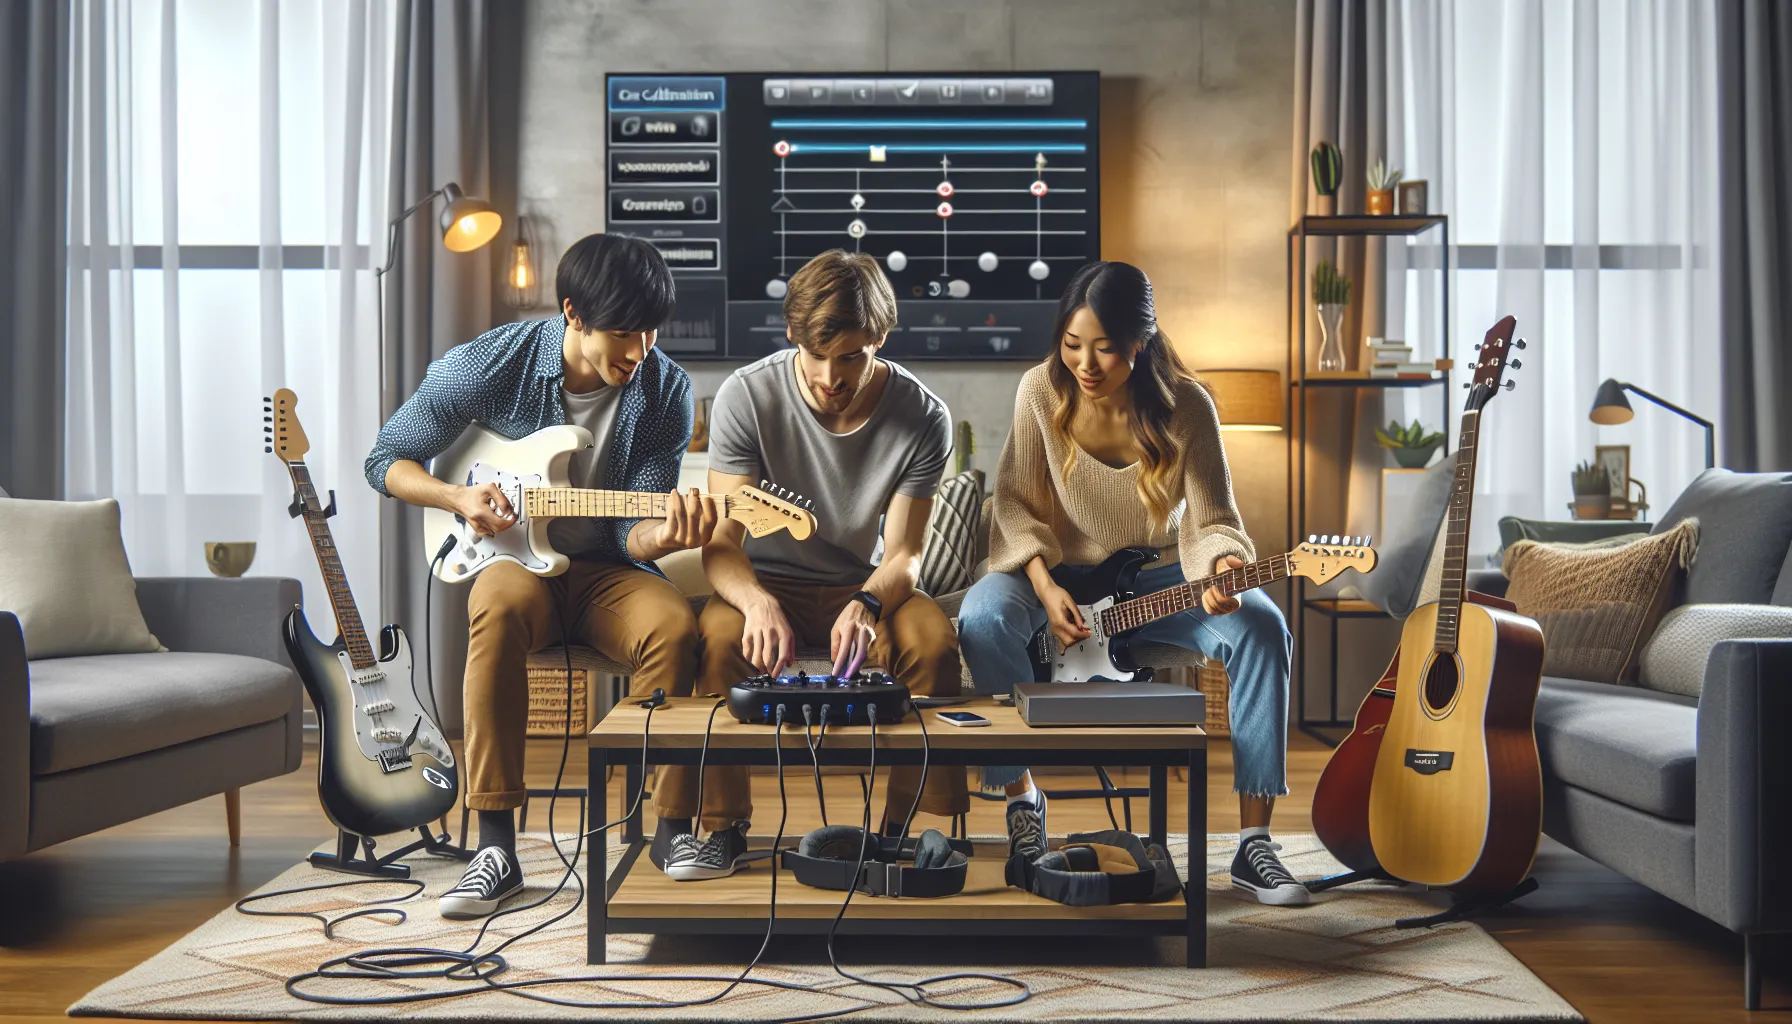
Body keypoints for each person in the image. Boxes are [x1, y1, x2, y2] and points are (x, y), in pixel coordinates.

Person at [365, 233, 718, 917]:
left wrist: (666, 533)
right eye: (622, 331)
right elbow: (387, 459)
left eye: (650, 331)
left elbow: (631, 528)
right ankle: (496, 846)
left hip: (608, 568)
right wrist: (458, 498)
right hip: (511, 561)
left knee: (676, 626)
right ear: (573, 315)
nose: (638, 349)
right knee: (494, 614)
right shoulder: (491, 364)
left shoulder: (667, 389)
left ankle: (665, 828)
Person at [957, 260, 1307, 906]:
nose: (1084, 366)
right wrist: (1039, 581)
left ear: (1140, 344)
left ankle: (1256, 845)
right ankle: (1022, 800)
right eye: (1071, 345)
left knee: (1263, 626)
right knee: (980, 618)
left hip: (1150, 582)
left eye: (1105, 349)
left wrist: (1223, 567)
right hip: (1051, 572)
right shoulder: (1041, 391)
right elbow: (1013, 505)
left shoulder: (1185, 407)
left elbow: (1213, 521)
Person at [671, 249, 968, 881]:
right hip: (763, 580)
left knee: (934, 642)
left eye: (853, 357)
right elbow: (721, 544)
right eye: (817, 355)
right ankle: (720, 828)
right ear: (793, 337)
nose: (831, 375)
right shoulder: (746, 397)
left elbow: (905, 555)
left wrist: (866, 603)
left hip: (860, 586)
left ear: (879, 341)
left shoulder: (922, 416)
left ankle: (913, 831)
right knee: (719, 640)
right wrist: (754, 602)